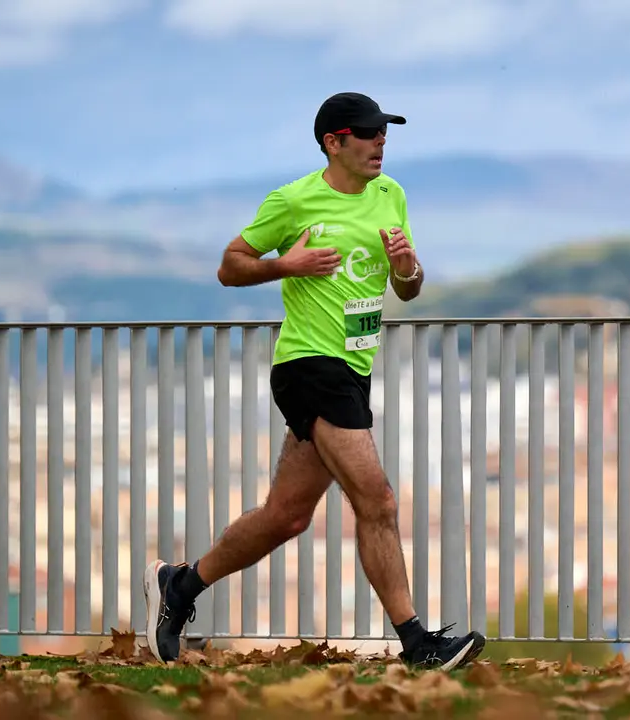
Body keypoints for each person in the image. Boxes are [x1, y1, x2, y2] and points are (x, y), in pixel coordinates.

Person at [143, 91, 487, 670]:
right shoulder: (294, 200)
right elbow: (230, 266)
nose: (381, 141)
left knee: (286, 516)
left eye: (385, 132)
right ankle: (417, 643)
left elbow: (408, 288)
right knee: (377, 499)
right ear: (334, 142)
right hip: (308, 365)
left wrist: (408, 270)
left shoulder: (390, 194)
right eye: (369, 132)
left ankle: (181, 584)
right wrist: (286, 264)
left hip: (354, 368)